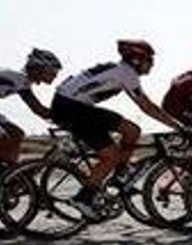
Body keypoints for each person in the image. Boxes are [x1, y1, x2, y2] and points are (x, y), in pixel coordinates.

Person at [53, 40, 170, 215]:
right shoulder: (127, 73)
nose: (151, 65)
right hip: (73, 108)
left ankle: (120, 175)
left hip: (71, 105)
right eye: (149, 61)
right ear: (136, 59)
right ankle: (84, 198)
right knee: (112, 155)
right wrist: (177, 126)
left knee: (132, 131)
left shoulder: (118, 69)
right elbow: (146, 107)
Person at [0, 48, 61, 168]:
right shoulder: (18, 79)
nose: (55, 76)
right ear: (39, 68)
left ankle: (5, 170)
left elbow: (38, 109)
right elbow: (38, 109)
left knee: (17, 133)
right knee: (1, 137)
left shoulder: (19, 79)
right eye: (52, 72)